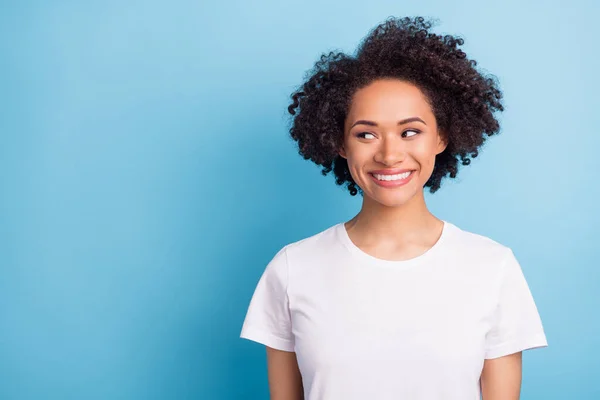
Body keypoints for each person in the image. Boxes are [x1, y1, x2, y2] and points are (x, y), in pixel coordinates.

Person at [240, 16, 548, 400]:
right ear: (340, 143)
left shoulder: (492, 267)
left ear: (442, 137)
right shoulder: (292, 269)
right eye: (366, 134)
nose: (389, 154)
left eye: (410, 132)